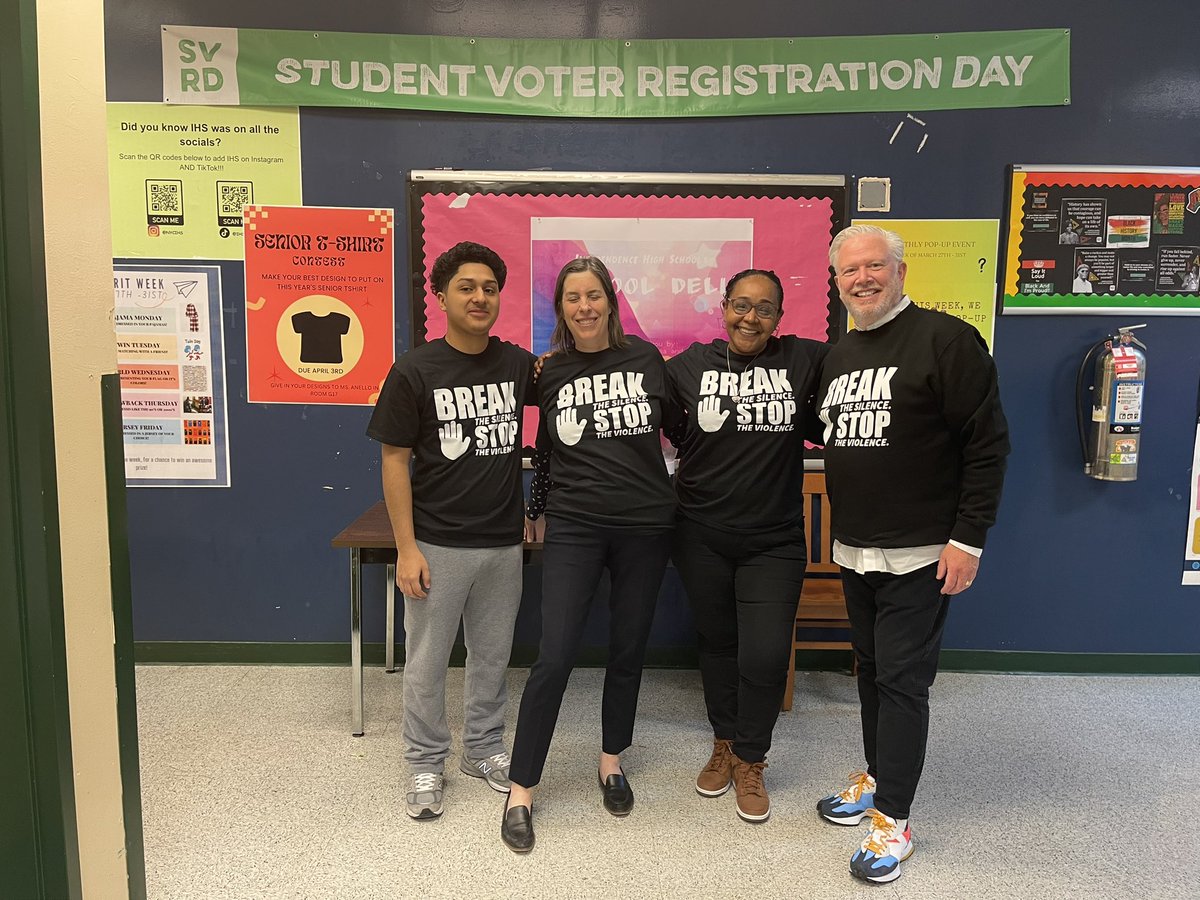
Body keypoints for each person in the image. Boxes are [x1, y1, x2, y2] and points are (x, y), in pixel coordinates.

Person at [814, 225, 1009, 884]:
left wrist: (968, 537)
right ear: (838, 281)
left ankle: (893, 822)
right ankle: (878, 775)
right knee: (871, 671)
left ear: (900, 270)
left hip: (923, 553)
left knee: (901, 682)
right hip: (856, 549)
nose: (862, 278)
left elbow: (988, 445)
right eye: (849, 271)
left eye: (874, 266)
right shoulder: (840, 353)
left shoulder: (946, 341)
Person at [501, 256, 675, 852]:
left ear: (611, 300)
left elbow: (684, 431)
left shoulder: (647, 361)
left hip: (645, 527)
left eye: (593, 294)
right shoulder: (547, 371)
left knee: (627, 649)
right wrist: (535, 508)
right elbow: (545, 451)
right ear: (561, 309)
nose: (584, 306)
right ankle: (521, 788)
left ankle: (611, 759)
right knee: (555, 656)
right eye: (572, 297)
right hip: (575, 526)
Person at [366, 241, 534, 821]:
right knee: (428, 659)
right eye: (466, 286)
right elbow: (393, 460)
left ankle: (484, 749)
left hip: (503, 543)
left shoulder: (515, 364)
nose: (479, 297)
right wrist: (406, 548)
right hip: (436, 544)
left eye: (489, 287)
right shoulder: (415, 369)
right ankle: (424, 761)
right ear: (441, 296)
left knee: (492, 656)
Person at [665, 269, 828, 823]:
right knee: (717, 644)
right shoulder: (689, 365)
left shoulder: (804, 359)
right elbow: (629, 379)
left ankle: (752, 759)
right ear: (723, 307)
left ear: (779, 318)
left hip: (773, 538)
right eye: (740, 305)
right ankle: (726, 743)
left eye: (764, 309)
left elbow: (868, 366)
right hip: (700, 534)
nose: (749, 318)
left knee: (764, 654)